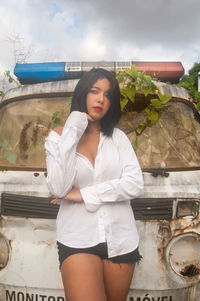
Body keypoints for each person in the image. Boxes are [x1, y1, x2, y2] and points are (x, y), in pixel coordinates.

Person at [45, 68, 144, 301]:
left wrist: (82, 194)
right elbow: (59, 188)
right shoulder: (59, 137)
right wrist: (74, 127)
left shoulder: (117, 138)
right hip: (77, 238)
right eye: (94, 91)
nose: (101, 99)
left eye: (108, 95)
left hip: (121, 239)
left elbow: (134, 184)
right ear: (83, 93)